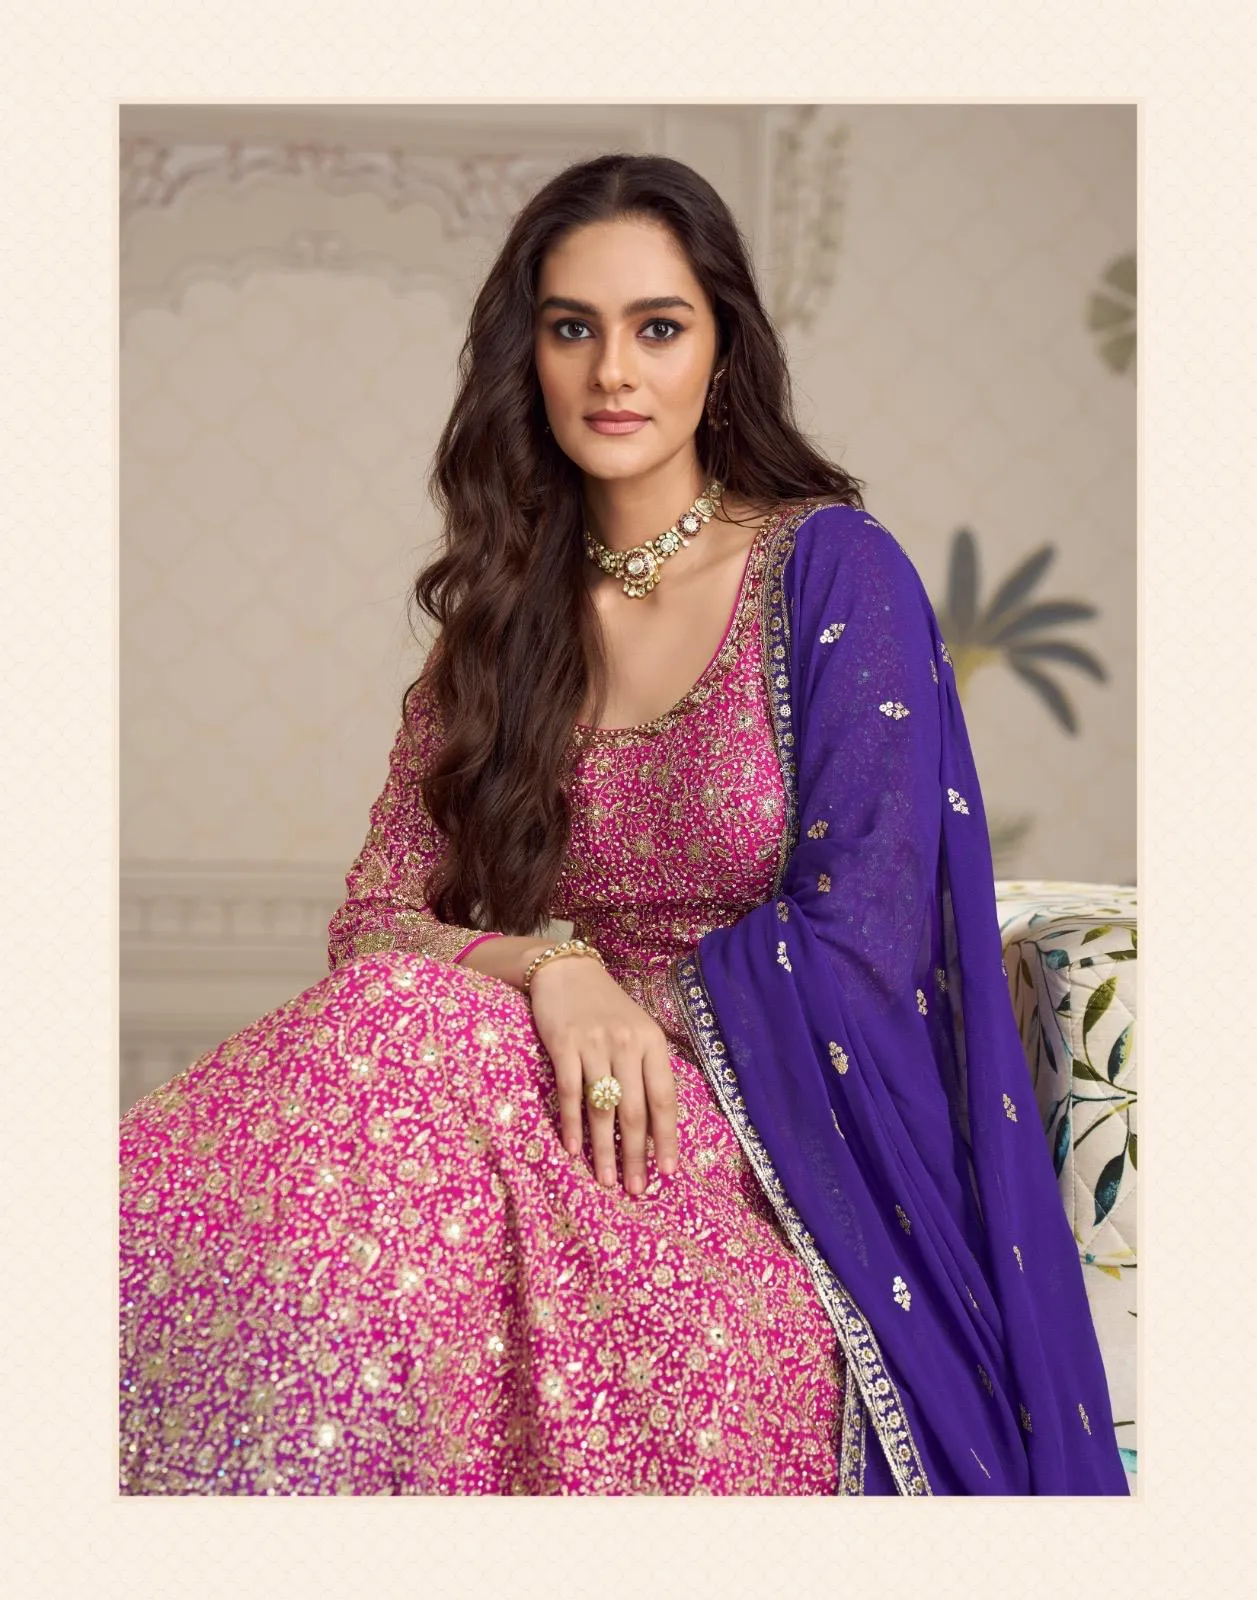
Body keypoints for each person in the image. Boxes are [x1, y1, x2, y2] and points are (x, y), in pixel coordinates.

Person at [119, 152, 1129, 1496]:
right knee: (385, 1070)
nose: (613, 373)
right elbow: (374, 925)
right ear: (526, 358)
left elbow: (866, 947)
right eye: (571, 329)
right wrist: (555, 974)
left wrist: (621, 1010)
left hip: (774, 1187)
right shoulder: (502, 629)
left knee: (410, 1063)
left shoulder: (834, 576)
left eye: (658, 328)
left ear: (724, 353)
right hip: (542, 1116)